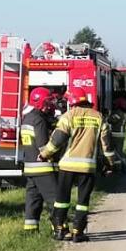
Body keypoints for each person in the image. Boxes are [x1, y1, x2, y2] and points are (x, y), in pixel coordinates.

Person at [38, 86, 114, 242]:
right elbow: (106, 145)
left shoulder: (68, 116)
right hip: (88, 167)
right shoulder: (98, 117)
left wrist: (44, 154)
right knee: (83, 202)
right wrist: (109, 164)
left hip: (67, 166)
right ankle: (78, 232)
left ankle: (60, 230)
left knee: (62, 199)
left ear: (72, 102)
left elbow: (57, 141)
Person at [19, 87, 58, 232]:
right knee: (55, 199)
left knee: (33, 200)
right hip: (43, 168)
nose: (50, 105)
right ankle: (60, 227)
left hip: (30, 168)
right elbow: (43, 146)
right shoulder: (39, 120)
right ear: (39, 102)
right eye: (47, 102)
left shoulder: (27, 118)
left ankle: (30, 229)